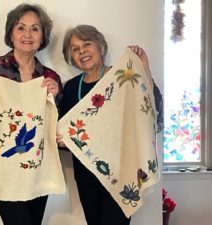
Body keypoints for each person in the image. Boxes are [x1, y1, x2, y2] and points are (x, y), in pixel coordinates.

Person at [0, 3, 62, 225]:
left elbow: (55, 128)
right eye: (21, 27)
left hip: (37, 169)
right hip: (3, 170)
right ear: (11, 33)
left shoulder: (50, 77)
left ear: (42, 36)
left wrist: (54, 97)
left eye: (35, 28)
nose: (28, 34)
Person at [56, 25, 163, 225]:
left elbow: (150, 108)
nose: (82, 52)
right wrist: (62, 140)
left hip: (122, 171)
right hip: (87, 175)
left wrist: (144, 68)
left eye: (87, 44)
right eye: (75, 49)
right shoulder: (71, 87)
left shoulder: (122, 78)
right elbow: (63, 130)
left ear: (100, 46)